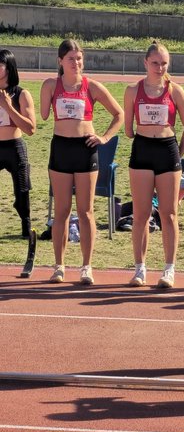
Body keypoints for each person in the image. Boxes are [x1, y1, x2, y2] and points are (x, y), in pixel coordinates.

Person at [40, 39, 124, 285]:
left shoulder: (92, 86)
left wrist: (104, 137)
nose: (76, 63)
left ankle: (86, 266)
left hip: (85, 149)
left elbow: (119, 114)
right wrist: (47, 91)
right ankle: (59, 266)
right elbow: (44, 115)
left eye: (79, 59)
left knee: (85, 211)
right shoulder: (51, 84)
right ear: (60, 62)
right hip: (61, 149)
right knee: (62, 211)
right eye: (70, 59)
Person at [124, 41, 184, 289]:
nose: (159, 67)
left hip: (168, 151)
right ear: (145, 63)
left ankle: (169, 269)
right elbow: (128, 130)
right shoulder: (133, 90)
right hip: (142, 151)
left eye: (164, 63)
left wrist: (178, 153)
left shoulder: (175, 91)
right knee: (141, 214)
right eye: (155, 62)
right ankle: (139, 269)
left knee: (169, 213)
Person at [0, 47, 36, 239]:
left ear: (9, 68)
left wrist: (8, 106)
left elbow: (30, 129)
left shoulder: (21, 94)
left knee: (22, 190)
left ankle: (26, 227)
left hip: (14, 146)